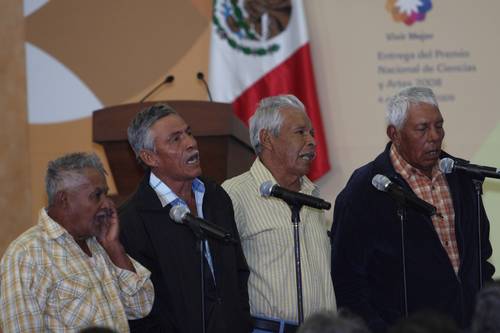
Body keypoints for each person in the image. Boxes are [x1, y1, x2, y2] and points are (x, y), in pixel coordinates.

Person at [331, 86, 495, 332]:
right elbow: (349, 283)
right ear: (394, 134)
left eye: (439, 126)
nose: (434, 136)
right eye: (422, 128)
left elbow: (480, 259)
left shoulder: (462, 178)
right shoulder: (366, 189)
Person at [119, 103, 251, 332]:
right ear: (150, 157)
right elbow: (145, 307)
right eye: (175, 139)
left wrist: (240, 321)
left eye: (188, 133)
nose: (191, 143)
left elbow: (237, 270)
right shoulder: (133, 220)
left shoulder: (216, 197)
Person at [0, 152, 154, 333]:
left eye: (106, 194)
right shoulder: (27, 255)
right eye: (96, 195)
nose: (107, 204)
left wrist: (113, 247)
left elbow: (141, 306)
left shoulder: (100, 242)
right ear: (63, 199)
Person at [222, 95, 336, 332]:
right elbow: (223, 277)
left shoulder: (312, 194)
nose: (312, 141)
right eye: (300, 132)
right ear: (267, 138)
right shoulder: (235, 194)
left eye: (312, 133)